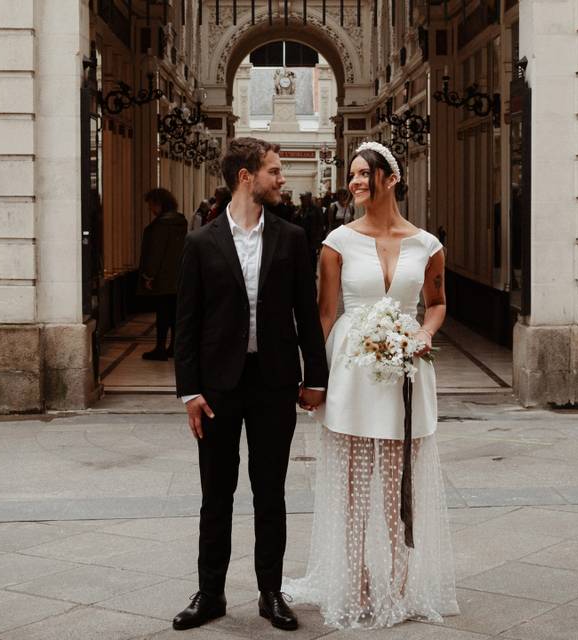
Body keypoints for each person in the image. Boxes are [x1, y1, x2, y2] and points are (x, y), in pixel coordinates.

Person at [284, 142, 458, 628]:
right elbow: (324, 312)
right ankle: (357, 581)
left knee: (397, 486)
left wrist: (423, 332)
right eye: (353, 175)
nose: (355, 182)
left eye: (364, 174)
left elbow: (438, 302)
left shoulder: (427, 245)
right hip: (352, 371)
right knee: (354, 484)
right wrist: (311, 376)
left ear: (391, 179)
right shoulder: (337, 241)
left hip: (406, 368)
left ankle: (400, 583)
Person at [172, 137, 330, 632]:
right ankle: (211, 594)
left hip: (274, 383)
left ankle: (270, 592)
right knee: (215, 494)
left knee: (271, 493)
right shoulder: (201, 242)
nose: (282, 179)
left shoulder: (291, 237)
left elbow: (306, 312)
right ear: (246, 176)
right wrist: (189, 391)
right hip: (217, 388)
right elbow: (188, 323)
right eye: (274, 171)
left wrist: (316, 378)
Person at [137, 188, 187, 360]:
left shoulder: (160, 225)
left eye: (152, 205)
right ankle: (173, 346)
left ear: (159, 204)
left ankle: (160, 347)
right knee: (174, 314)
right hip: (178, 276)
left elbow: (155, 253)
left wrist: (149, 276)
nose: (151, 209)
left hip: (163, 279)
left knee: (162, 314)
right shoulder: (180, 222)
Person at [296, 192, 326, 273]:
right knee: (302, 255)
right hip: (302, 236)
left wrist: (319, 237)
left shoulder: (315, 209)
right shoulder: (300, 209)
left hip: (313, 237)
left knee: (312, 256)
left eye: (304, 198)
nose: (302, 200)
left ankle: (313, 272)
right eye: (301, 199)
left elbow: (320, 223)